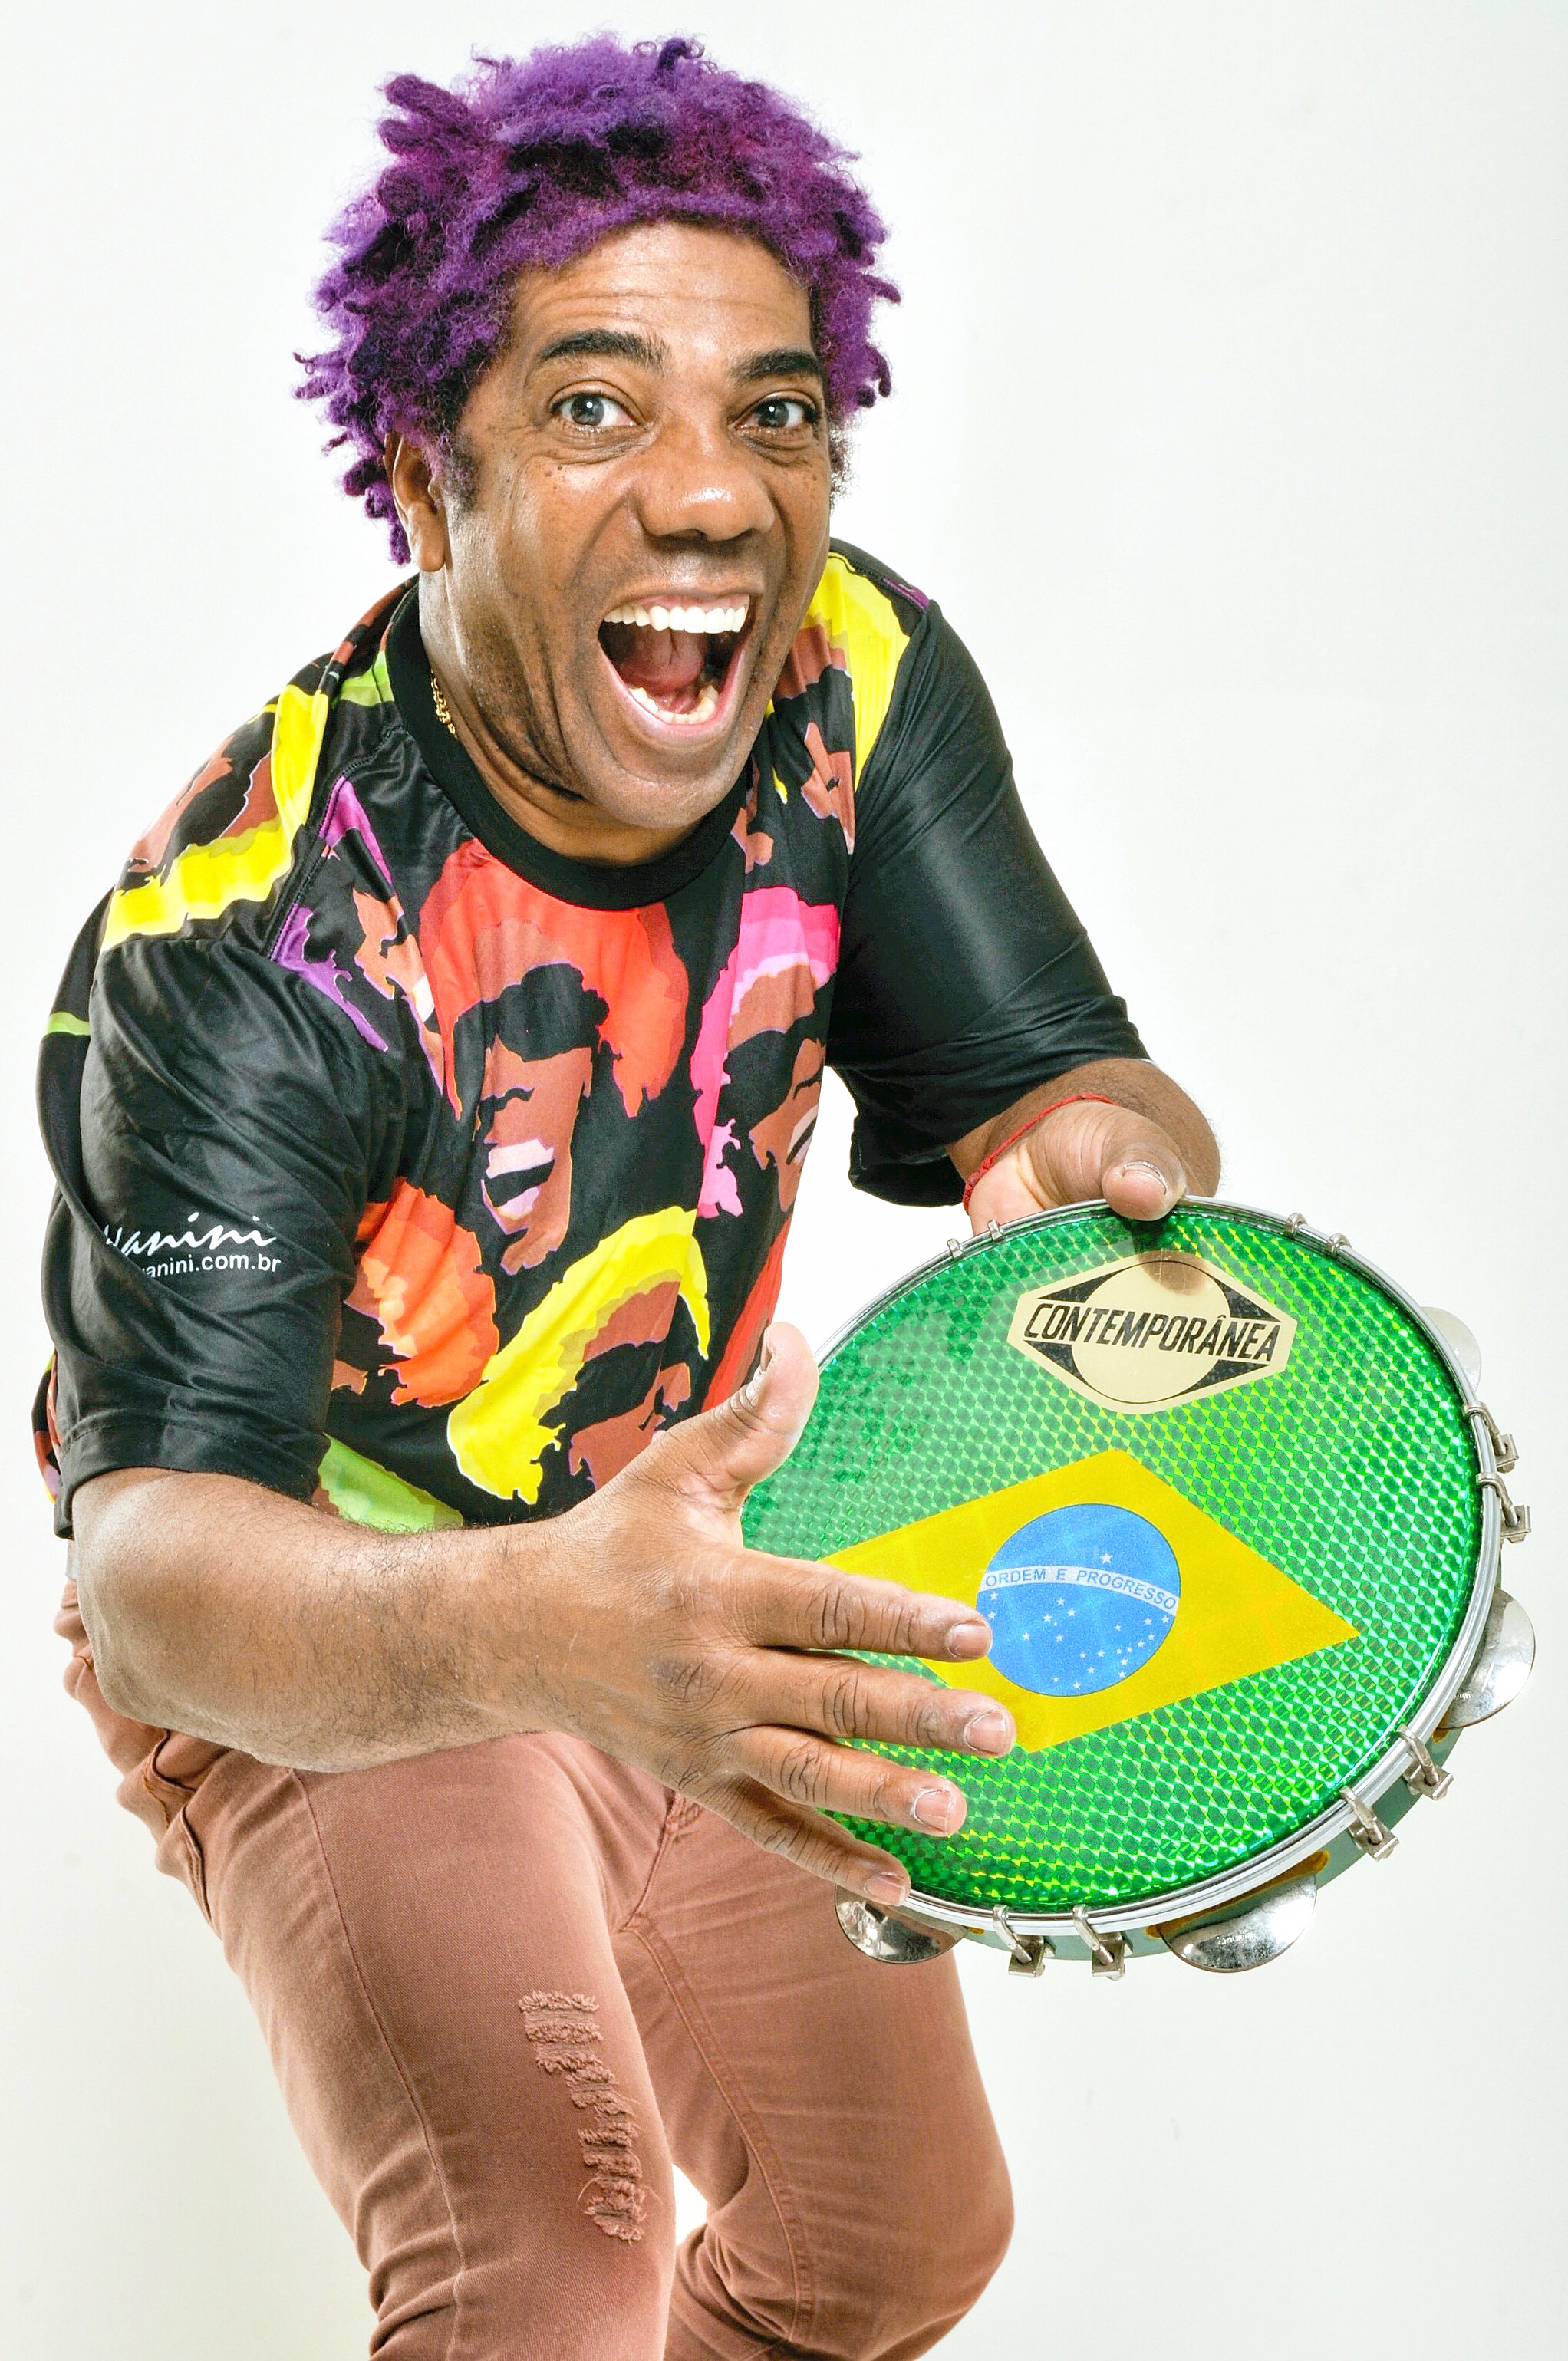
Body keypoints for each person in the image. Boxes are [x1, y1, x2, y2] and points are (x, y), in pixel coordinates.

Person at [35, 36, 1219, 2360]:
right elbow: (155, 1581)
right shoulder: (248, 939)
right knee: (549, 2287)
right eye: (593, 407)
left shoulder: (850, 672)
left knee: (889, 2241)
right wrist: (543, 1632)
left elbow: (1052, 1087)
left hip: (685, 1552)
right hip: (339, 1605)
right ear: (424, 479)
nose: (708, 494)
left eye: (775, 413)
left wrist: (1097, 1167)